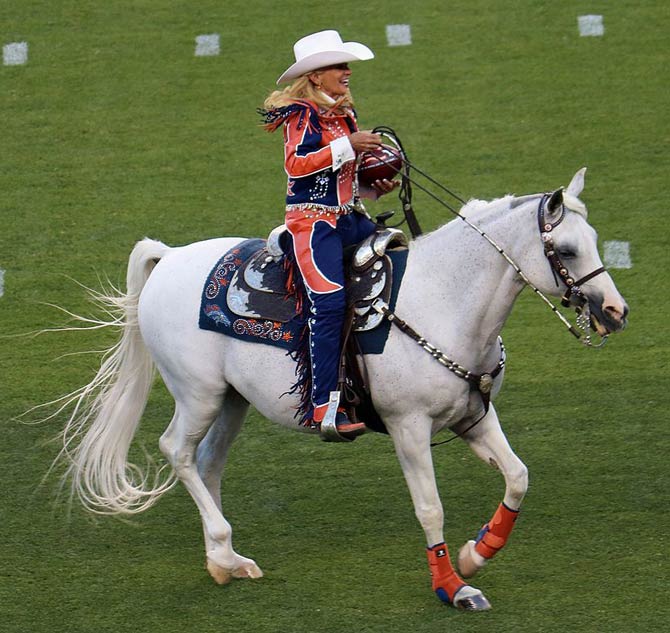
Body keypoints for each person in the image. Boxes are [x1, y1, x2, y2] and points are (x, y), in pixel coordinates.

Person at [260, 30, 399, 439]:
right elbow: (297, 166)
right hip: (312, 225)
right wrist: (349, 145)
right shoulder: (300, 114)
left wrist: (374, 187)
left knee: (398, 260)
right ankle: (324, 407)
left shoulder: (344, 114)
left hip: (349, 218)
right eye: (339, 66)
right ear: (316, 76)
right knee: (329, 302)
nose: (347, 71)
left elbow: (343, 181)